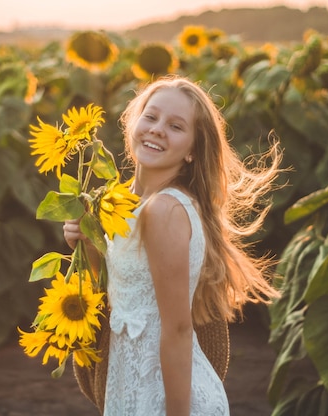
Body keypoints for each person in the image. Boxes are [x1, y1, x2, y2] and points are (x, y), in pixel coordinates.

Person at [63, 75, 283, 415]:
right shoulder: (126, 204)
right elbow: (128, 293)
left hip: (163, 397)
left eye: (176, 126)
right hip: (133, 387)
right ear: (133, 123)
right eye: (150, 117)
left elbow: (178, 328)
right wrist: (89, 244)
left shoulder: (164, 209)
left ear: (193, 150)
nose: (157, 129)